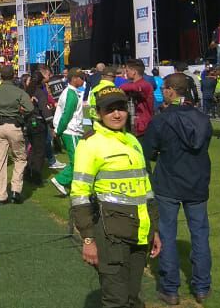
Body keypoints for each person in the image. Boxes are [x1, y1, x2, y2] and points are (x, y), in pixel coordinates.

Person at [71, 86, 161, 308]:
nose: (117, 114)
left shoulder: (132, 141)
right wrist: (88, 239)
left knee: (132, 298)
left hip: (140, 232)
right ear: (99, 113)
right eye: (110, 110)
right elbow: (80, 195)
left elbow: (146, 189)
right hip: (111, 236)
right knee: (116, 301)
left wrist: (154, 229)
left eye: (121, 108)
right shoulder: (89, 144)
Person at [141, 74, 213, 305]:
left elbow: (148, 152)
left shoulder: (162, 119)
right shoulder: (202, 118)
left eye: (165, 88)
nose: (163, 92)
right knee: (199, 235)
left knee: (167, 236)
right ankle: (199, 287)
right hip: (194, 182)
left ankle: (173, 288)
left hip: (170, 183)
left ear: (172, 90)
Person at [0, 65, 33, 204]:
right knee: (20, 158)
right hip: (14, 126)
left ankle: (1, 195)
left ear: (0, 76)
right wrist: (20, 111)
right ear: (13, 76)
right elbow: (30, 108)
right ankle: (15, 190)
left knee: (0, 160)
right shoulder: (18, 91)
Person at [50, 68, 86, 196]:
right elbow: (67, 115)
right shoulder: (71, 94)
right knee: (78, 161)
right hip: (71, 131)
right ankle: (60, 180)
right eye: (81, 77)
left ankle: (71, 183)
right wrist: (58, 131)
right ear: (74, 79)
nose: (83, 79)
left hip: (70, 130)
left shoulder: (71, 92)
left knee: (78, 160)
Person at [120, 59, 154, 136]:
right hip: (133, 124)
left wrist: (119, 89)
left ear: (134, 72)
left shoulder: (145, 85)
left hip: (143, 126)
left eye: (127, 71)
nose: (126, 73)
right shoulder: (132, 84)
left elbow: (134, 87)